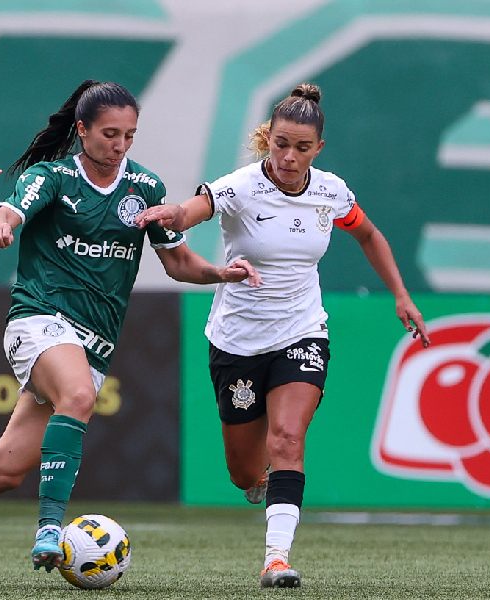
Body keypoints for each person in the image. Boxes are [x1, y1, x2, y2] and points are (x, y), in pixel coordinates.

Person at [0, 79, 260, 586]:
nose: (119, 146)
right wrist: (0, 224)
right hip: (38, 320)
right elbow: (11, 209)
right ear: (82, 130)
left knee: (0, 473)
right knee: (75, 394)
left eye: (129, 136)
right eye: (109, 134)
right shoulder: (52, 177)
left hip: (94, 345)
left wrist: (219, 274)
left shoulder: (145, 189)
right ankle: (50, 528)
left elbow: (179, 262)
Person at [135, 83, 431, 588]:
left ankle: (277, 559)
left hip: (302, 331)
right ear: (266, 140)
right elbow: (194, 210)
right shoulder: (242, 186)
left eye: (301, 147)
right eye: (280, 144)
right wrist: (170, 215)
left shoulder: (332, 192)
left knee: (288, 440)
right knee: (245, 472)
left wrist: (401, 294)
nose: (288, 157)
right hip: (237, 340)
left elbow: (368, 234)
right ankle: (264, 487)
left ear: (319, 149)